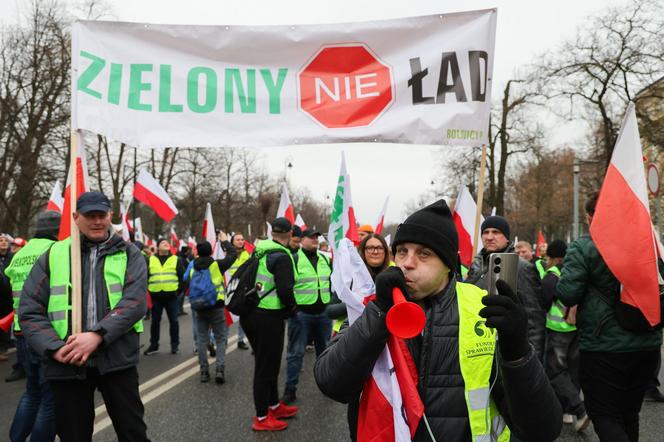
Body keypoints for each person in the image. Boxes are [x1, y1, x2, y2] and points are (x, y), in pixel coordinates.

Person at [314, 200, 561, 441]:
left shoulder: (482, 308)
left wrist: (518, 353)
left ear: (448, 265)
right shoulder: (375, 304)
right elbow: (332, 383)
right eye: (402, 251)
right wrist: (379, 311)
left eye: (424, 253)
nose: (407, 263)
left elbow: (542, 429)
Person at [19, 191, 149, 441]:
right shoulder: (54, 254)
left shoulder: (129, 253)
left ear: (110, 216)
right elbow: (29, 310)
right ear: (76, 217)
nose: (97, 221)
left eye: (102, 215)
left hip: (116, 359)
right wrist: (54, 349)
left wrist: (97, 335)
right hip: (67, 363)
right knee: (73, 436)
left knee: (133, 433)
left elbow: (134, 303)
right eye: (90, 216)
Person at [557, 192, 662, 442]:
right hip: (648, 342)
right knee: (629, 414)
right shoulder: (648, 243)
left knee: (604, 415)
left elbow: (568, 293)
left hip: (604, 347)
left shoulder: (585, 246)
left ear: (593, 216)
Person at [239, 217, 299, 432]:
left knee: (270, 364)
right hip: (268, 315)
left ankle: (273, 405)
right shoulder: (281, 256)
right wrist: (293, 308)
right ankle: (262, 417)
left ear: (272, 231)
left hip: (252, 313)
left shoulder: (260, 248)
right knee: (266, 367)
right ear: (290, 234)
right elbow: (285, 290)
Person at [6, 211, 60, 441]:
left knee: (32, 392)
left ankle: (16, 438)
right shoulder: (55, 251)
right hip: (45, 331)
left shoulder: (19, 254)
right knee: (51, 398)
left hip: (21, 331)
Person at [465, 216, 547, 361]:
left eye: (496, 232)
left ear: (507, 238)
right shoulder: (476, 265)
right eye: (486, 232)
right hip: (477, 350)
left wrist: (532, 361)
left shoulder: (521, 267)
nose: (489, 237)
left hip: (508, 351)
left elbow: (535, 318)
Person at [541, 239, 588, 432]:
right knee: (573, 370)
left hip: (557, 329)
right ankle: (568, 411)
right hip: (576, 329)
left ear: (551, 257)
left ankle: (580, 409)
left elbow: (543, 303)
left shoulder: (550, 276)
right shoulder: (572, 274)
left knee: (555, 371)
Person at [283, 228, 333, 404]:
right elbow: (286, 286)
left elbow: (334, 282)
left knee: (325, 352)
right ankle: (290, 389)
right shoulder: (294, 259)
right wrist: (293, 310)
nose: (315, 240)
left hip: (324, 314)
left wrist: (332, 303)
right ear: (302, 240)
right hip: (301, 316)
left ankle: (327, 386)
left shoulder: (326, 259)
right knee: (295, 353)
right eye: (311, 237)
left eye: (316, 237)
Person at [186, 237, 236, 383]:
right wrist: (225, 242)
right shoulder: (216, 265)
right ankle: (219, 369)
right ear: (210, 251)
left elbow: (185, 279)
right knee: (220, 339)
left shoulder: (192, 265)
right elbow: (232, 255)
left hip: (199, 307)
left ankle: (204, 372)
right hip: (216, 307)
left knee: (202, 339)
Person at [144, 238, 186, 355]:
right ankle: (154, 345)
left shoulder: (176, 259)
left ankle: (174, 345)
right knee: (155, 322)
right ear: (157, 247)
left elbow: (183, 277)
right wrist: (149, 291)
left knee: (174, 321)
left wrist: (178, 292)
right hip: (155, 297)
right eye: (163, 242)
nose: (166, 243)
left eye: (167, 242)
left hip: (171, 297)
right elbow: (145, 277)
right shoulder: (150, 259)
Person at [229, 233, 251, 350]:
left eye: (242, 239)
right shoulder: (226, 254)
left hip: (242, 289)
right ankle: (218, 340)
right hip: (229, 289)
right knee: (226, 316)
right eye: (237, 239)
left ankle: (241, 340)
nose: (240, 241)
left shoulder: (247, 254)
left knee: (242, 315)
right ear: (232, 241)